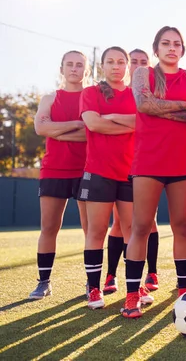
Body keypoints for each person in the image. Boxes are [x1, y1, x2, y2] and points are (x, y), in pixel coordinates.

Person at [121, 26, 186, 318]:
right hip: (148, 161)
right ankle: (132, 295)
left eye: (177, 44)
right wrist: (184, 107)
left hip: (184, 161)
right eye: (166, 43)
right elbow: (144, 104)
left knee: (183, 226)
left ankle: (184, 293)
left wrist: (163, 108)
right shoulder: (143, 73)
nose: (172, 48)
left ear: (183, 49)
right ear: (156, 49)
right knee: (140, 226)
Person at [78, 46, 137, 309]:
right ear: (102, 66)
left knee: (132, 231)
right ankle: (93, 288)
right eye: (110, 62)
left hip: (130, 173)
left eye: (120, 61)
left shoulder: (136, 95)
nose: (116, 66)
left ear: (127, 65)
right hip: (98, 171)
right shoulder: (90, 93)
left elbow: (142, 124)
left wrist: (111, 118)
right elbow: (93, 124)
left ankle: (135, 287)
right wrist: (125, 123)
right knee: (97, 231)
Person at [29, 51, 89, 300]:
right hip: (54, 169)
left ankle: (91, 282)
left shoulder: (92, 96)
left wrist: (58, 131)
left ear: (86, 70)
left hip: (88, 169)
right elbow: (40, 127)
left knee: (92, 230)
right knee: (50, 227)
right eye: (70, 64)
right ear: (61, 69)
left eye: (79, 65)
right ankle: (44, 282)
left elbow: (92, 133)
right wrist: (76, 124)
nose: (74, 69)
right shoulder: (50, 98)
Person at [104, 49, 160, 295]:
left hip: (148, 164)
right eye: (134, 62)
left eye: (143, 62)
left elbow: (148, 124)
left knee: (149, 223)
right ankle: (111, 275)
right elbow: (101, 122)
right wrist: (125, 120)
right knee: (121, 223)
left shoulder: (153, 93)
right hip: (120, 165)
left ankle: (151, 272)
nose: (138, 66)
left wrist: (117, 120)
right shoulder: (121, 94)